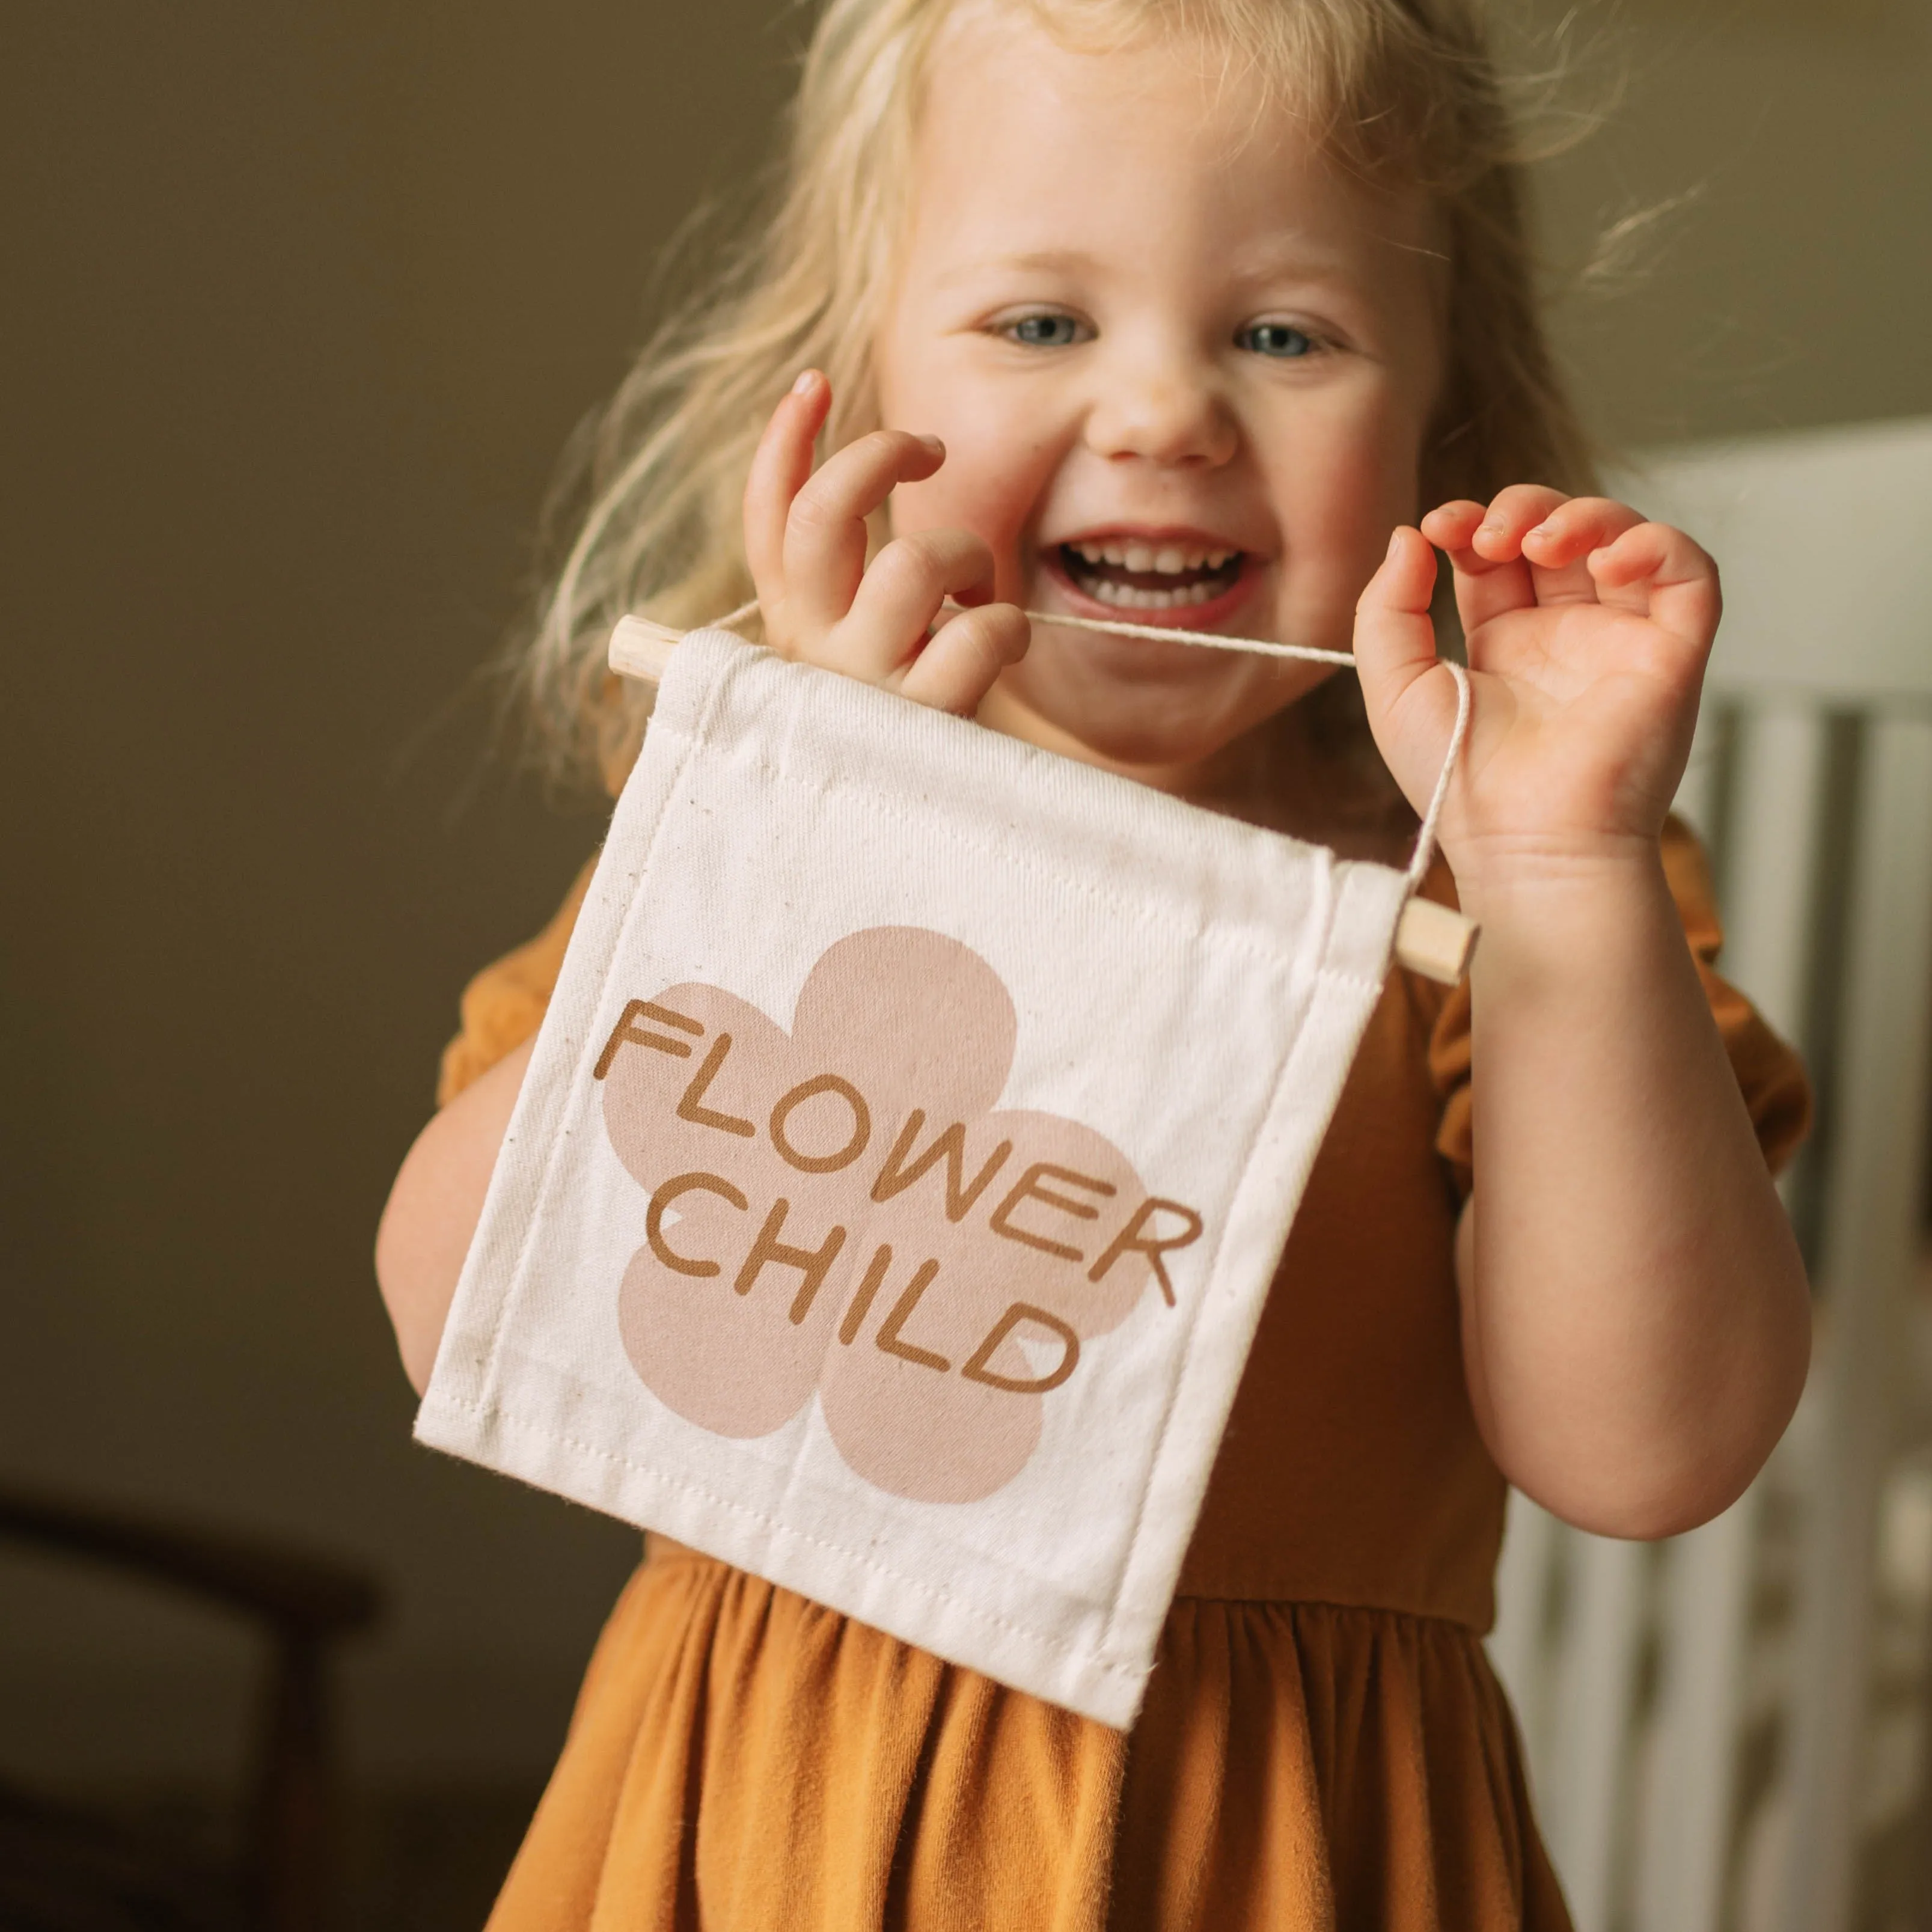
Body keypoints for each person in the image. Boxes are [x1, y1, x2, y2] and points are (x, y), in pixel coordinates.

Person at [375, 1, 1814, 1924]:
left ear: (1443, 421)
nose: (1159, 413)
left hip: (1295, 1854)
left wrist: (1562, 873)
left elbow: (1648, 1451)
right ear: (856, 374)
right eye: (1040, 323)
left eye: (1282, 334)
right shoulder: (760, 822)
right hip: (766, 1833)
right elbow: (457, 1301)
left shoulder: (1497, 898)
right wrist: (802, 837)